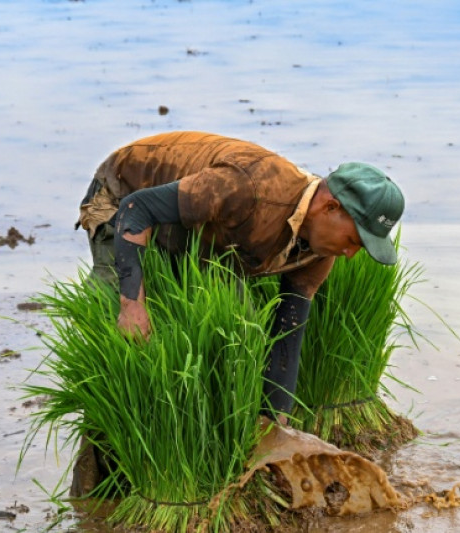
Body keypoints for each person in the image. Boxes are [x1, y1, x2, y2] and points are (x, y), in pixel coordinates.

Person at [76, 131, 404, 418]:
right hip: (126, 192)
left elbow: (287, 337)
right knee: (117, 312)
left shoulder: (317, 252)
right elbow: (138, 208)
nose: (350, 254)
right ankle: (112, 440)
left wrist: (275, 425)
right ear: (329, 207)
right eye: (353, 240)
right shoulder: (249, 188)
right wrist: (132, 305)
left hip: (199, 229)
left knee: (236, 328)